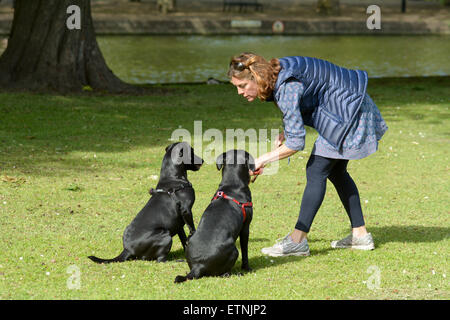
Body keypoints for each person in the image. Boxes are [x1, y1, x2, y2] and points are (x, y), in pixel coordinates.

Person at [227, 53, 388, 257]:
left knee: (316, 171)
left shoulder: (286, 85)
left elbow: (296, 144)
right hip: (350, 106)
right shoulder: (279, 73)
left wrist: (261, 159)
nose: (240, 92)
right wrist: (287, 129)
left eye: (242, 86)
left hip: (349, 111)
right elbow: (309, 95)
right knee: (336, 172)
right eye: (236, 88)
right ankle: (360, 235)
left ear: (256, 77)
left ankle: (297, 240)